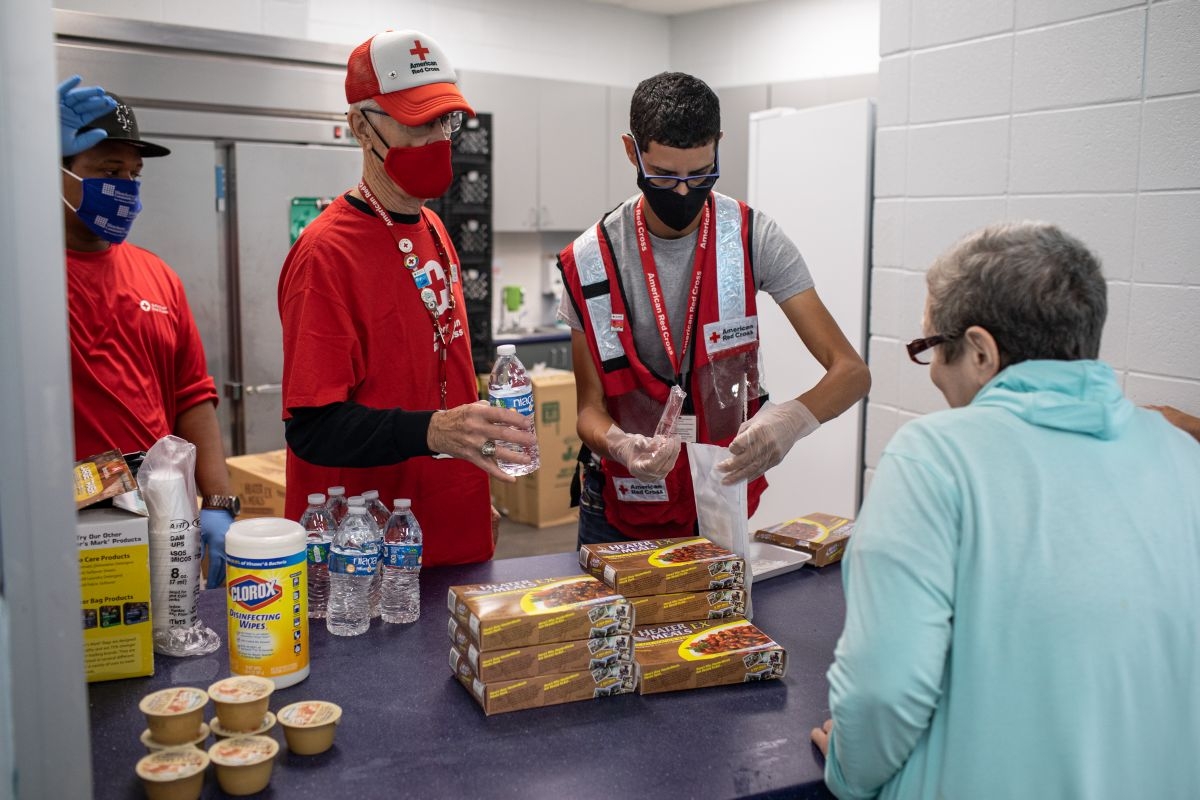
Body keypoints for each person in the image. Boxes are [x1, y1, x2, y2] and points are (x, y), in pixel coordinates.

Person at [811, 222, 1200, 799]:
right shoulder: (1180, 456)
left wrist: (847, 767)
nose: (935, 374)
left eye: (929, 350)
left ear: (980, 351)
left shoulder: (934, 457)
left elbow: (882, 691)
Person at [557, 72, 870, 546]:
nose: (683, 192)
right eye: (664, 176)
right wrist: (619, 443)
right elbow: (589, 409)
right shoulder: (591, 261)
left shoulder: (751, 238)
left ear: (719, 146)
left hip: (721, 492)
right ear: (631, 151)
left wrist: (790, 422)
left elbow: (851, 372)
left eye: (701, 174)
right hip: (619, 503)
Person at [277, 29, 535, 566]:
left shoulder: (435, 229)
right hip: (368, 551)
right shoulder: (325, 254)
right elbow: (313, 428)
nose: (438, 139)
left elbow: (443, 370)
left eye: (445, 120)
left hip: (452, 526)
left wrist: (469, 490)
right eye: (417, 123)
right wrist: (435, 431)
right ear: (360, 128)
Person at [59, 77, 237, 587]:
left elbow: (192, 397)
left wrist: (218, 502)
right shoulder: (23, 276)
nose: (126, 186)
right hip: (67, 524)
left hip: (163, 518)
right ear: (57, 175)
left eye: (134, 173)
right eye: (108, 170)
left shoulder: (156, 275)